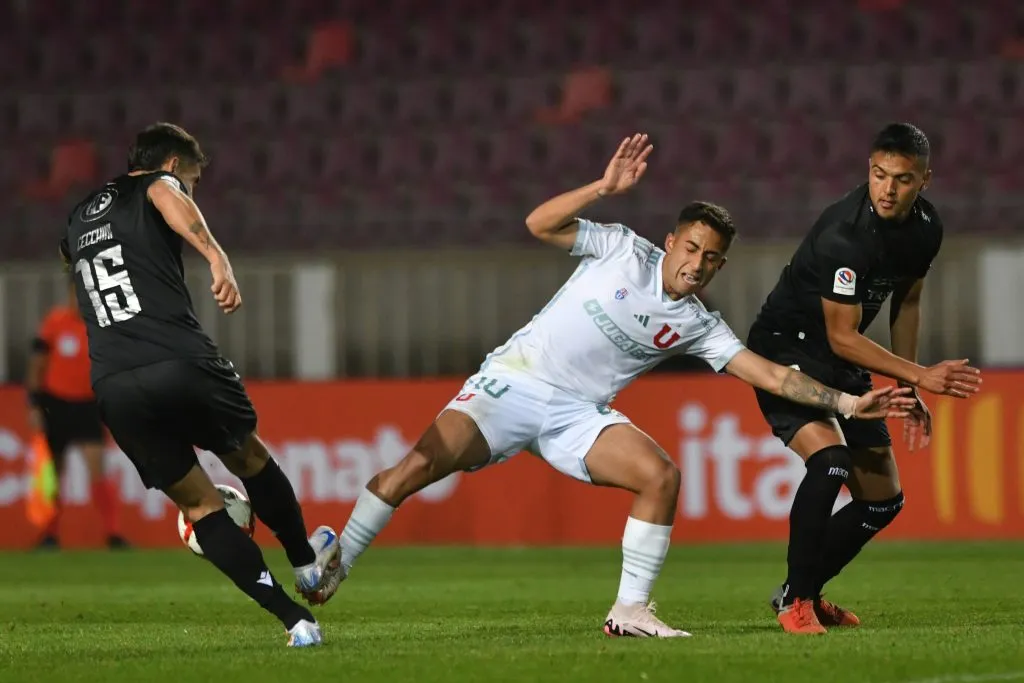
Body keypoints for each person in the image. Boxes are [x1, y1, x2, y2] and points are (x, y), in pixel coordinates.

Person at [332, 133, 917, 638]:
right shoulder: (618, 249)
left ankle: (629, 611)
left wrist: (845, 401)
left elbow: (765, 372)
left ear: (720, 266)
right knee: (413, 469)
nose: (698, 263)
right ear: (670, 242)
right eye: (691, 248)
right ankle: (332, 568)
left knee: (660, 476)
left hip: (579, 414)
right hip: (514, 382)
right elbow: (538, 224)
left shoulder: (698, 324)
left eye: (712, 258)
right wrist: (602, 188)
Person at [61, 122, 343, 647]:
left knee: (199, 508)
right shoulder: (159, 184)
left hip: (115, 381)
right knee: (249, 458)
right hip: (178, 358)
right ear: (171, 166)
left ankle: (296, 622)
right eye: (191, 180)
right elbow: (172, 202)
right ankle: (306, 566)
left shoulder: (78, 216)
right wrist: (217, 258)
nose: (189, 190)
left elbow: (77, 274)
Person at [746, 122, 983, 635]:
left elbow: (908, 301)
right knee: (830, 462)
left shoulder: (926, 228)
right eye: (879, 175)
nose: (887, 189)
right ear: (868, 171)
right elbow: (843, 335)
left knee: (882, 501)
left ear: (925, 180)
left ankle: (799, 588)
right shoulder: (844, 236)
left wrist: (909, 389)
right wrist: (921, 373)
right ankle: (797, 603)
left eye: (902, 178)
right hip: (785, 353)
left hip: (839, 357)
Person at [26, 276, 129, 550]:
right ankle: (49, 534)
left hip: (87, 407)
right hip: (55, 405)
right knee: (53, 473)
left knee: (98, 469)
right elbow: (38, 365)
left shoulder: (101, 327)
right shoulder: (55, 323)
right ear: (70, 294)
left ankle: (112, 533)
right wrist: (35, 404)